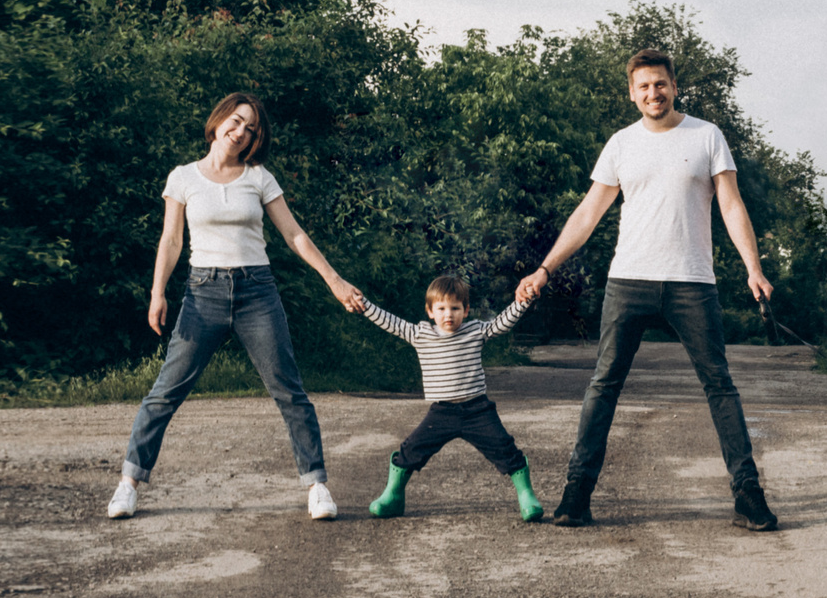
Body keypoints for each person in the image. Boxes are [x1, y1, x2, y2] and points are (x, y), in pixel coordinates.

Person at [519, 49, 779, 532]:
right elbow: (588, 213)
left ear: (674, 86)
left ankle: (748, 496)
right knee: (603, 386)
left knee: (719, 385)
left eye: (660, 84)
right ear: (632, 93)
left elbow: (731, 204)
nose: (652, 93)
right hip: (629, 281)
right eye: (643, 87)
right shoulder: (621, 144)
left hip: (692, 282)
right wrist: (545, 269)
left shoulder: (706, 136)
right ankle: (576, 496)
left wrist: (753, 269)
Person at [107, 92, 359, 521]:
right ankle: (129, 483)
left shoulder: (259, 177)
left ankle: (317, 486)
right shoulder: (183, 177)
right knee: (165, 392)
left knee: (289, 390)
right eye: (237, 121)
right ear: (219, 119)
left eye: (251, 129)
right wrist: (157, 292)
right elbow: (171, 241)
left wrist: (333, 280)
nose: (241, 132)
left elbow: (294, 235)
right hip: (202, 292)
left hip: (256, 292)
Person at [354, 273, 544, 521]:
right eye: (441, 308)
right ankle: (393, 496)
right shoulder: (420, 333)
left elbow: (502, 323)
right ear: (430, 311)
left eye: (455, 308)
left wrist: (523, 301)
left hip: (478, 410)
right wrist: (364, 304)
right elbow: (390, 321)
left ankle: (526, 495)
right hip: (441, 412)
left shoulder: (475, 331)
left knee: (505, 448)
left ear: (466, 311)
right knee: (411, 449)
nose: (448, 314)